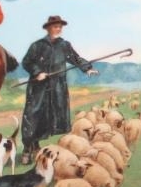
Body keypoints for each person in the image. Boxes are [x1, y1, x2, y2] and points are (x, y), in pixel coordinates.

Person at [21, 15, 99, 154]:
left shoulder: (64, 45)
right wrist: (38, 72)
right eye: (56, 27)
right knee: (33, 115)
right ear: (48, 28)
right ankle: (28, 148)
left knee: (50, 116)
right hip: (38, 87)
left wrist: (87, 68)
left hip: (57, 86)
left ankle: (36, 144)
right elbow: (27, 62)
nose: (59, 29)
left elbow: (75, 58)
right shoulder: (37, 45)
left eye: (60, 27)